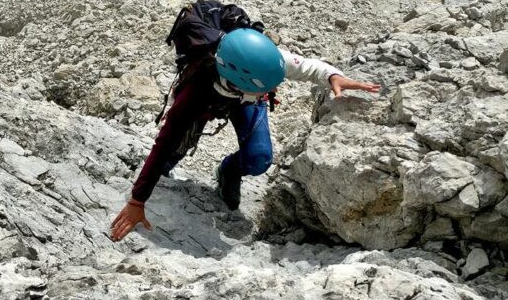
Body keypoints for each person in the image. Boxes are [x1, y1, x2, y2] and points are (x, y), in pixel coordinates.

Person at [111, 26, 379, 241]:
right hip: (208, 104)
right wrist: (137, 200)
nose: (271, 91)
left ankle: (228, 171)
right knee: (169, 155)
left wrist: (333, 75)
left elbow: (308, 66)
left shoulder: (264, 63)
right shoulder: (194, 94)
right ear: (241, 82)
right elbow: (163, 142)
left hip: (245, 101)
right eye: (265, 89)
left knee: (259, 158)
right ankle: (165, 177)